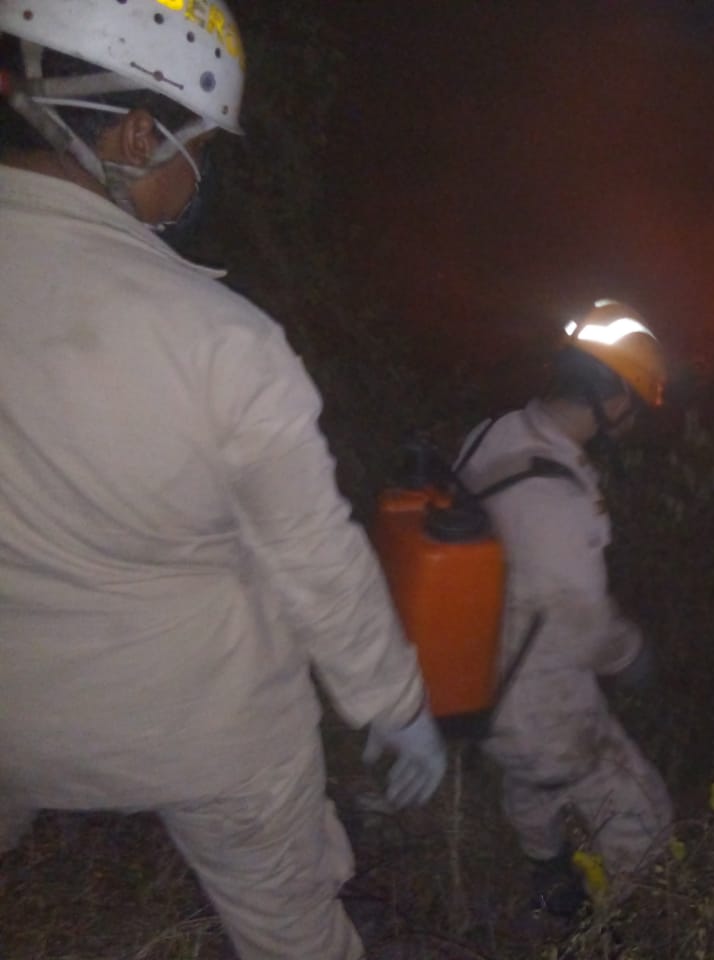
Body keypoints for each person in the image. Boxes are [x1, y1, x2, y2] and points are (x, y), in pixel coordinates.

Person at [0, 4, 446, 959]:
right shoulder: (220, 340)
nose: (201, 176)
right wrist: (395, 706)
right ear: (132, 134)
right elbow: (315, 561)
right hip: (204, 727)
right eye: (198, 147)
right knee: (292, 928)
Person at [456, 299, 674, 916]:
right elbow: (583, 624)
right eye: (633, 400)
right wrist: (632, 653)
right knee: (645, 820)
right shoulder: (556, 497)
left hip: (478, 677)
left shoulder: (495, 433)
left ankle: (547, 876)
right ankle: (624, 931)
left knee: (532, 780)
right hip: (537, 699)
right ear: (611, 399)